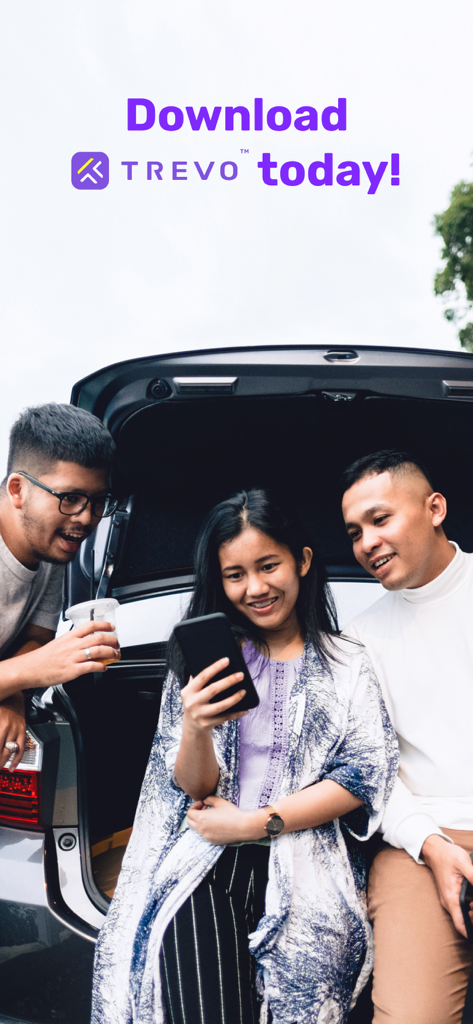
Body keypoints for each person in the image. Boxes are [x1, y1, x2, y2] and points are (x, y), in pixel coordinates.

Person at [92, 488, 398, 1024]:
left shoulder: (349, 663)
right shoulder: (203, 662)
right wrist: (193, 725)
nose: (254, 588)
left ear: (301, 561)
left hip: (306, 872)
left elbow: (361, 775)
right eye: (235, 574)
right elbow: (192, 787)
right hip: (206, 866)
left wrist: (256, 824)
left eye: (267, 565)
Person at [341, 449, 473, 1024]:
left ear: (435, 508)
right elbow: (371, 771)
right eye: (354, 532)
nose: (367, 542)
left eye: (380, 519)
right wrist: (431, 845)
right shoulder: (359, 638)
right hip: (420, 845)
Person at [0, 403, 121, 771]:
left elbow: (36, 637)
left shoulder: (48, 542)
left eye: (98, 501)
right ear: (18, 490)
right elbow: (37, 659)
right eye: (69, 498)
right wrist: (30, 673)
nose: (85, 518)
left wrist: (14, 696)